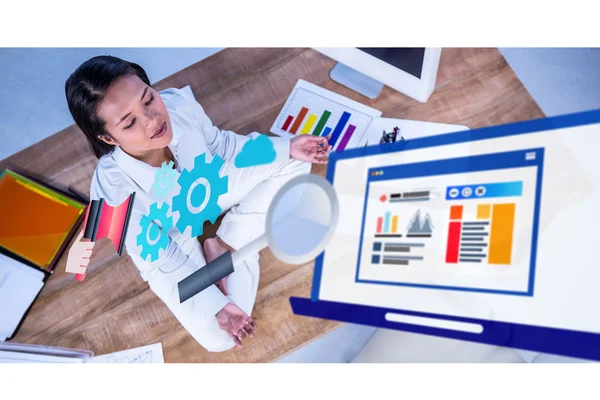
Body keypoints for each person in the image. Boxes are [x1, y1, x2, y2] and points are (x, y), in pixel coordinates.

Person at [64, 55, 332, 352]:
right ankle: (235, 248)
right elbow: (161, 258)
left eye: (148, 99)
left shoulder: (177, 104)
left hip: (210, 187)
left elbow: (222, 147)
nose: (153, 120)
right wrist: (215, 305)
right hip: (173, 240)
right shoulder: (112, 192)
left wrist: (287, 147)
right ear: (107, 137)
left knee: (294, 161)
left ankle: (227, 243)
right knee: (219, 339)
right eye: (129, 123)